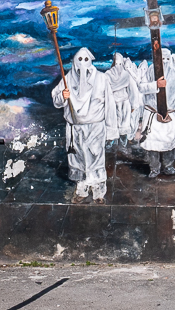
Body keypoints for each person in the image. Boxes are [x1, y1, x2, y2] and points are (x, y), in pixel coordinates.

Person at [52, 48, 117, 202]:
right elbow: (56, 99)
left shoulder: (101, 79)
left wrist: (111, 129)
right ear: (74, 62)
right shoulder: (67, 79)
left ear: (91, 61)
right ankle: (81, 189)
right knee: (78, 158)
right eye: (79, 60)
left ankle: (98, 191)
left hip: (95, 126)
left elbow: (110, 105)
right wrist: (63, 96)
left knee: (96, 156)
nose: (82, 63)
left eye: (85, 59)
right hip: (75, 128)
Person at [135, 54, 175, 178]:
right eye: (163, 59)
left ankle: (168, 166)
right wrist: (155, 85)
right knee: (152, 144)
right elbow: (141, 87)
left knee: (169, 142)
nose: (165, 62)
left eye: (168, 59)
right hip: (152, 112)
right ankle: (154, 168)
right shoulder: (150, 71)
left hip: (169, 114)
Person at [106, 53, 142, 146]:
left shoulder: (123, 75)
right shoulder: (111, 75)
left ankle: (120, 145)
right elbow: (132, 90)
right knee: (117, 124)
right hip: (115, 103)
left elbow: (132, 90)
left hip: (121, 103)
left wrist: (134, 104)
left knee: (121, 124)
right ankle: (116, 145)